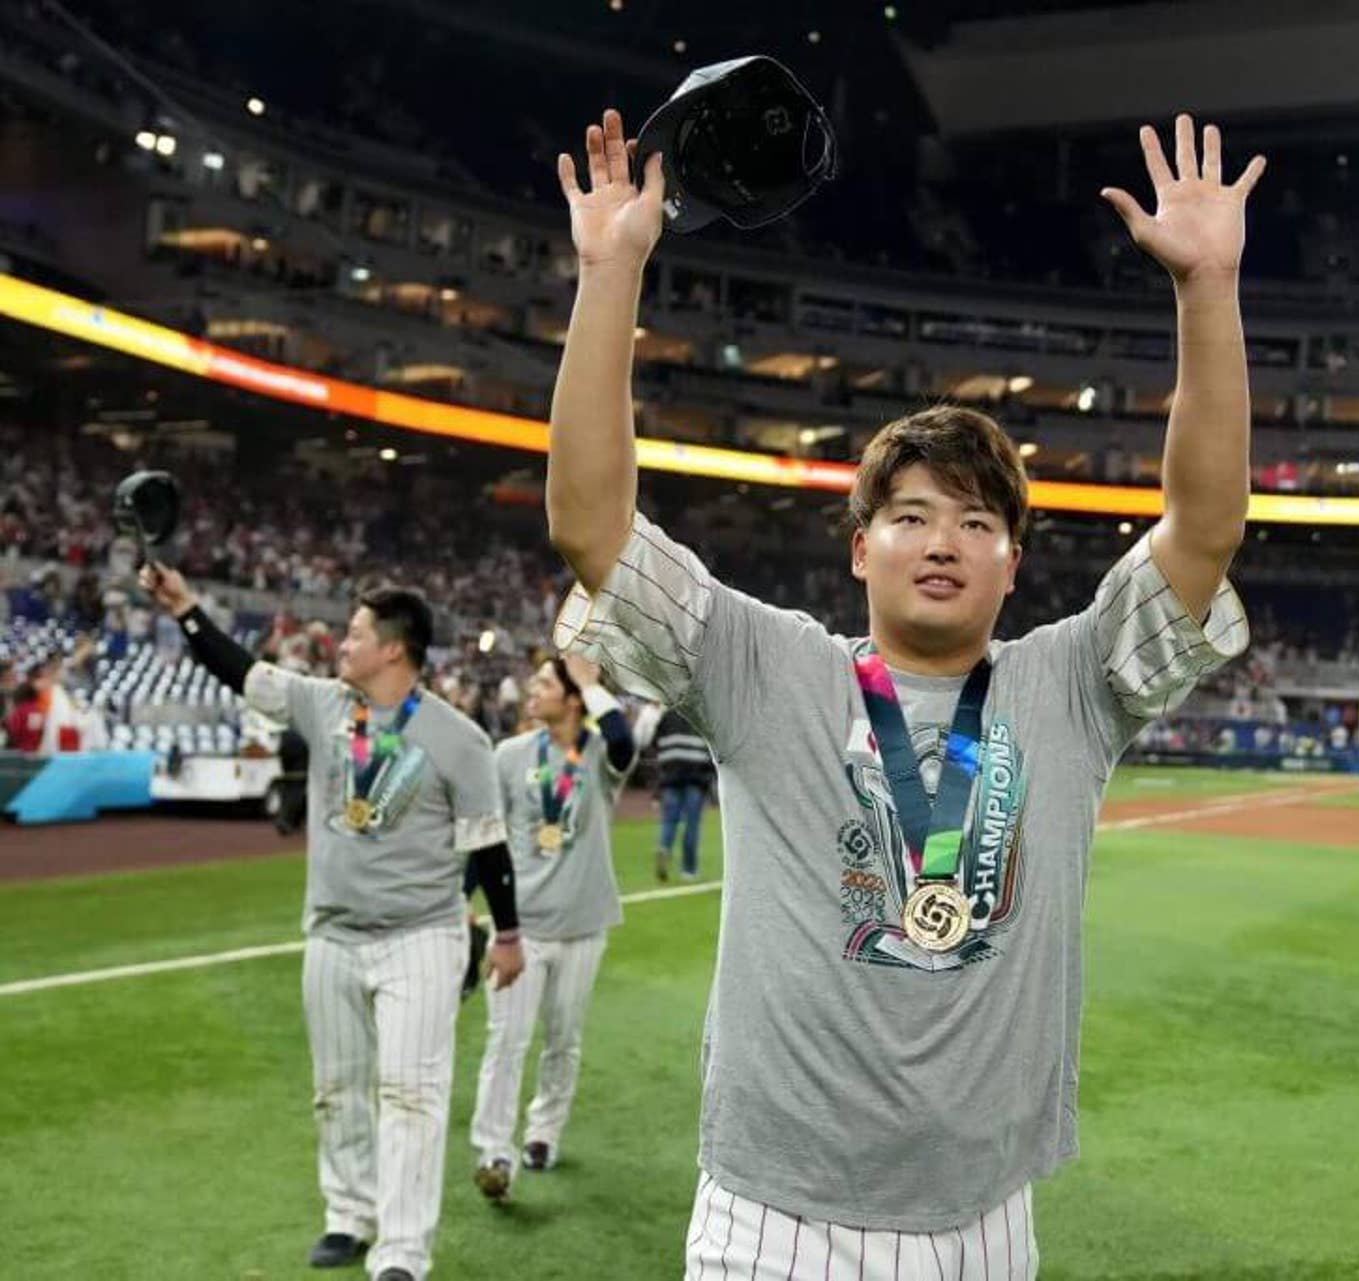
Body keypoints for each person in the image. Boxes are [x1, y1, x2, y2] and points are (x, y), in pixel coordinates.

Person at [546, 107, 1259, 1277]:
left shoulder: (1071, 684)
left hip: (984, 1220)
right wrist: (610, 270)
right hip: (773, 1221)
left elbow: (1206, 526)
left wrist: (1209, 291)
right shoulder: (764, 665)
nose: (942, 543)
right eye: (912, 516)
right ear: (859, 548)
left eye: (976, 523)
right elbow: (592, 530)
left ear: (1013, 564)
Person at [138, 563, 525, 1281]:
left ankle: (402, 1251)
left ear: (393, 649)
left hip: (420, 936)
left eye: (354, 634)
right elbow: (240, 672)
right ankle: (349, 1214)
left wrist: (506, 935)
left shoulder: (459, 738)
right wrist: (185, 607)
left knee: (411, 1094)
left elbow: (489, 846)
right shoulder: (323, 705)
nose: (340, 645)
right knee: (337, 1087)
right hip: (333, 934)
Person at [468, 653, 636, 1200]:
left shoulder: (601, 755)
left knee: (563, 1038)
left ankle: (543, 1132)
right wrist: (460, 899)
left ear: (572, 699)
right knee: (506, 1041)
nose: (530, 689)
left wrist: (591, 683)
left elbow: (624, 740)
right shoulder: (510, 755)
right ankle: (494, 1151)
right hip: (521, 926)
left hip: (583, 925)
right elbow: (486, 838)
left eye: (544, 682)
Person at [651, 703, 714, 881]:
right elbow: (711, 746)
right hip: (695, 774)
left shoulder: (667, 715)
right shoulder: (701, 714)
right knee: (692, 824)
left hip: (671, 773)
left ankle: (664, 847)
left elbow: (655, 742)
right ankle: (689, 870)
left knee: (669, 820)